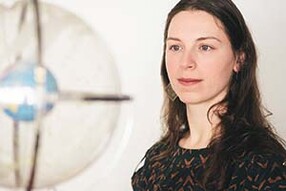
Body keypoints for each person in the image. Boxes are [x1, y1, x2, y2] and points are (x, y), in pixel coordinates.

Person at [131, 0, 286, 190]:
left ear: (239, 58)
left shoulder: (264, 165)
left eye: (205, 47)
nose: (186, 62)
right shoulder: (155, 158)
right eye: (175, 47)